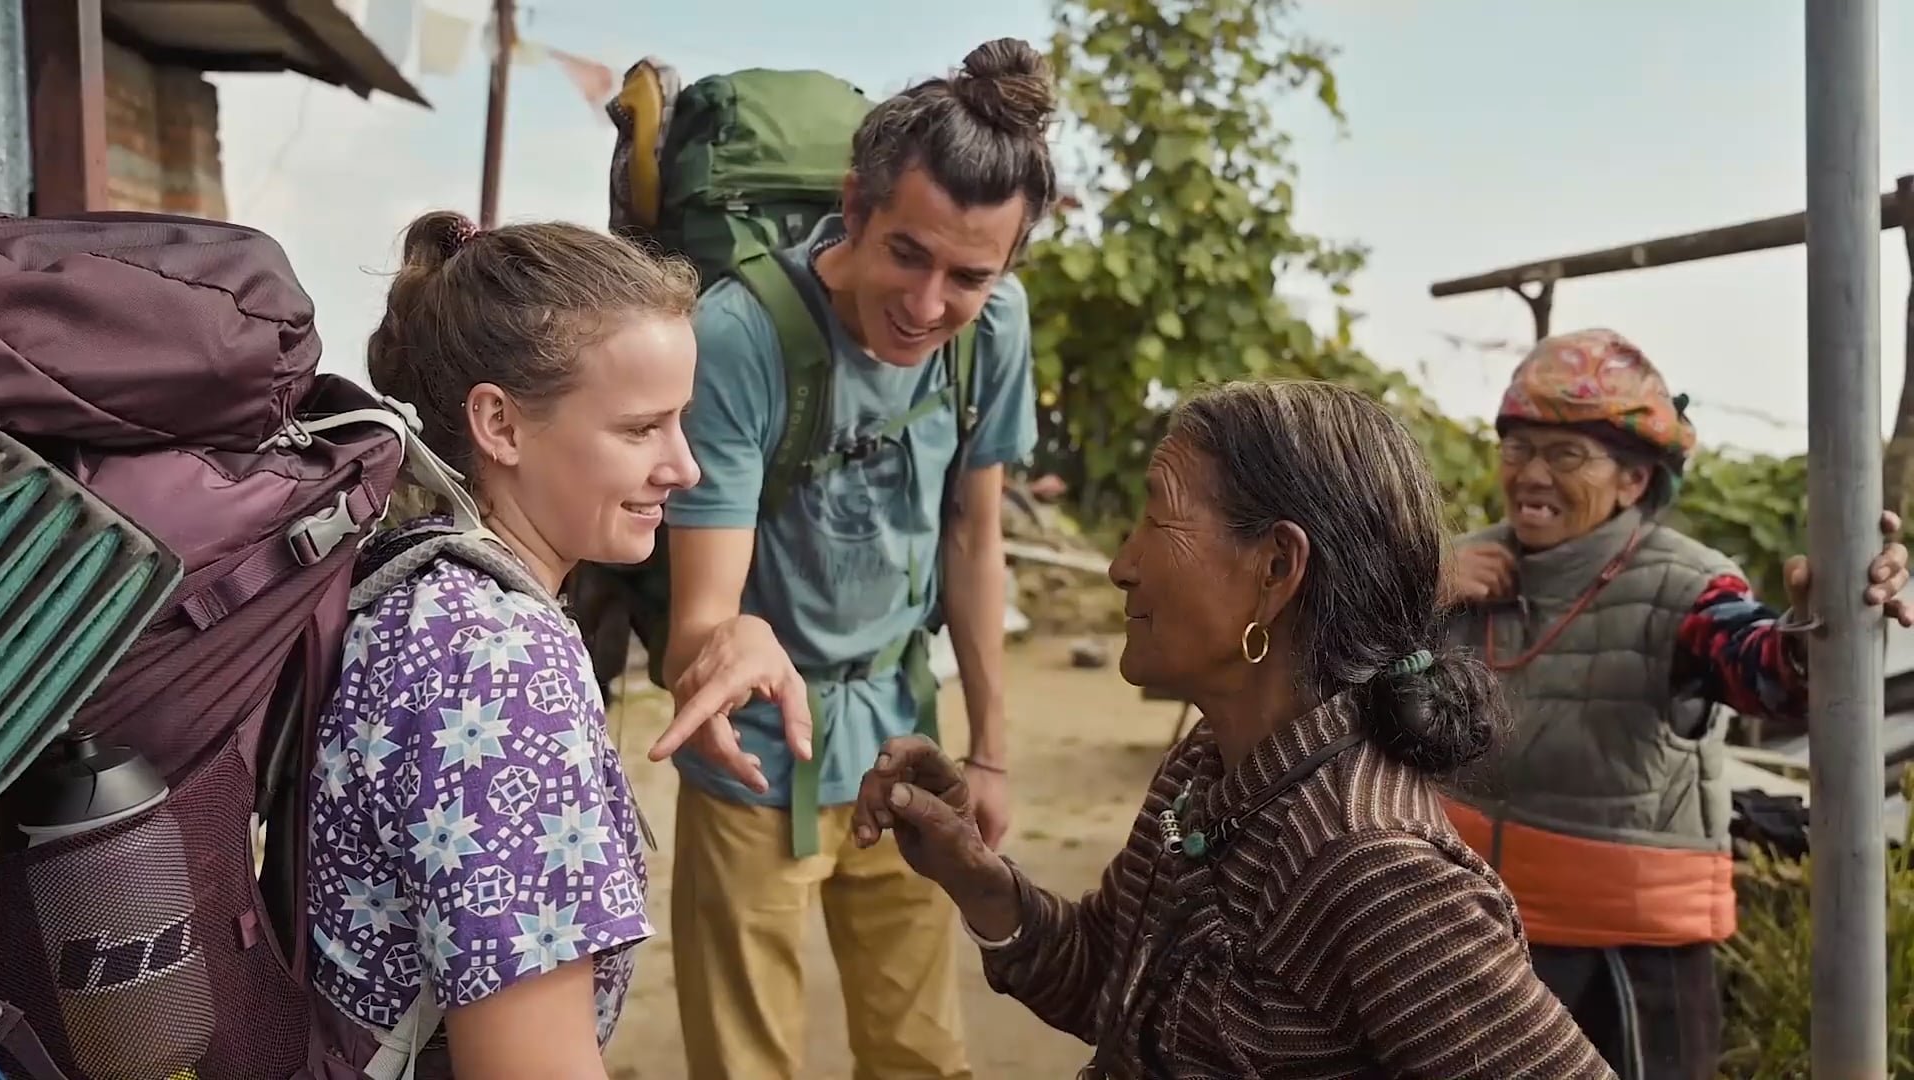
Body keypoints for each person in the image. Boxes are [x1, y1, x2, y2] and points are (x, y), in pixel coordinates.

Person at [854, 379, 1616, 1079]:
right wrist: (977, 877)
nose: (1122, 565)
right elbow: (1108, 984)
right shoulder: (1207, 769)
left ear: (1276, 568)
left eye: (1157, 517)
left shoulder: (1375, 871)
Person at [306, 211, 809, 1080]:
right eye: (640, 428)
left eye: (681, 422)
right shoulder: (496, 664)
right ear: (500, 425)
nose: (685, 468)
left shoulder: (411, 578)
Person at [647, 38, 1055, 1080]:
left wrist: (992, 748)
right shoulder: (741, 337)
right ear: (856, 208)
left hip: (903, 742)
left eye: (970, 275)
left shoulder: (992, 333)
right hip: (754, 758)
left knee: (922, 1051)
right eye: (907, 255)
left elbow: (973, 533)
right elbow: (703, 617)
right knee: (748, 1063)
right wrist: (727, 643)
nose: (928, 306)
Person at [1441, 328, 1911, 1080]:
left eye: (1565, 455)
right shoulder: (1457, 568)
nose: (1531, 473)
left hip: (1626, 964)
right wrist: (1416, 586)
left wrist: (1820, 626)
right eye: (1517, 448)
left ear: (1633, 480)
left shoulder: (1687, 585)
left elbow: (1764, 671)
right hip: (1471, 936)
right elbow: (1339, 670)